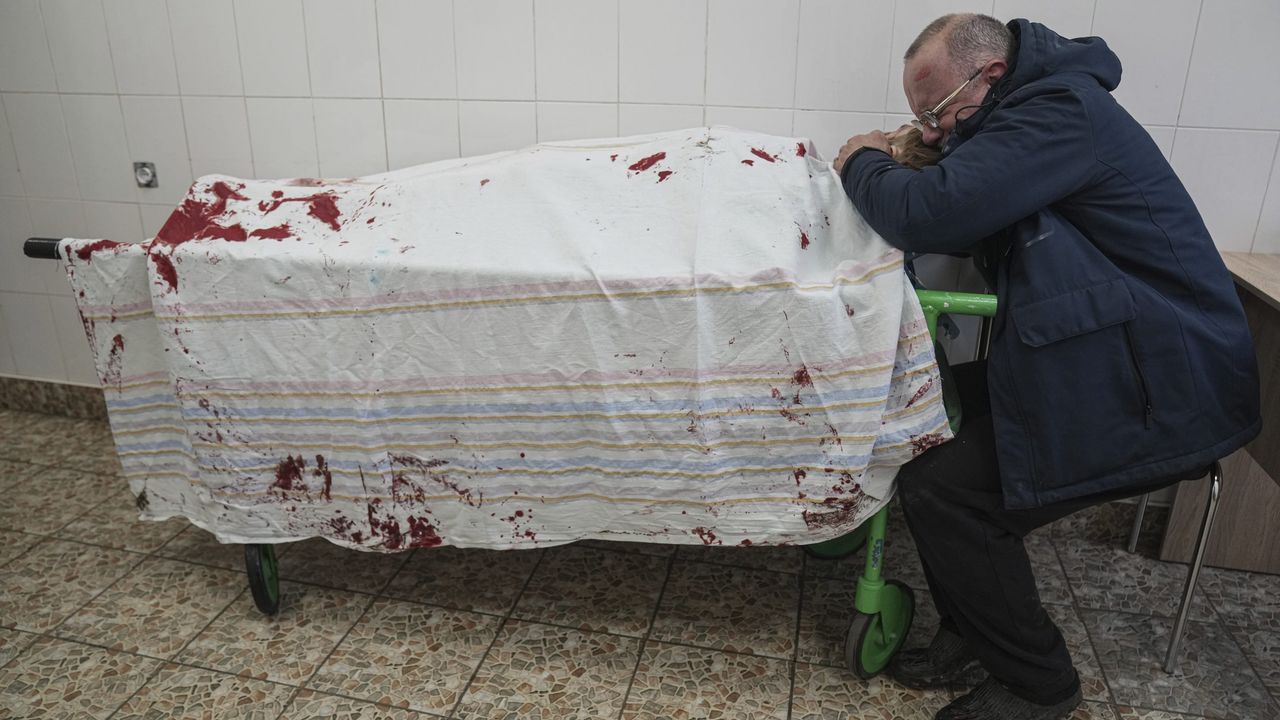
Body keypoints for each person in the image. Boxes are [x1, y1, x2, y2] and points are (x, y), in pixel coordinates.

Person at [832, 14, 1261, 720]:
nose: (935, 131)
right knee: (930, 427)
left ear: (990, 75)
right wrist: (923, 154)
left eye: (937, 113)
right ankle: (973, 632)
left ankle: (1039, 685)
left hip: (1163, 384)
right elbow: (958, 197)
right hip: (1115, 355)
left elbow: (928, 216)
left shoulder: (1060, 112)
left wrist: (861, 159)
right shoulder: (1033, 112)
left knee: (948, 490)